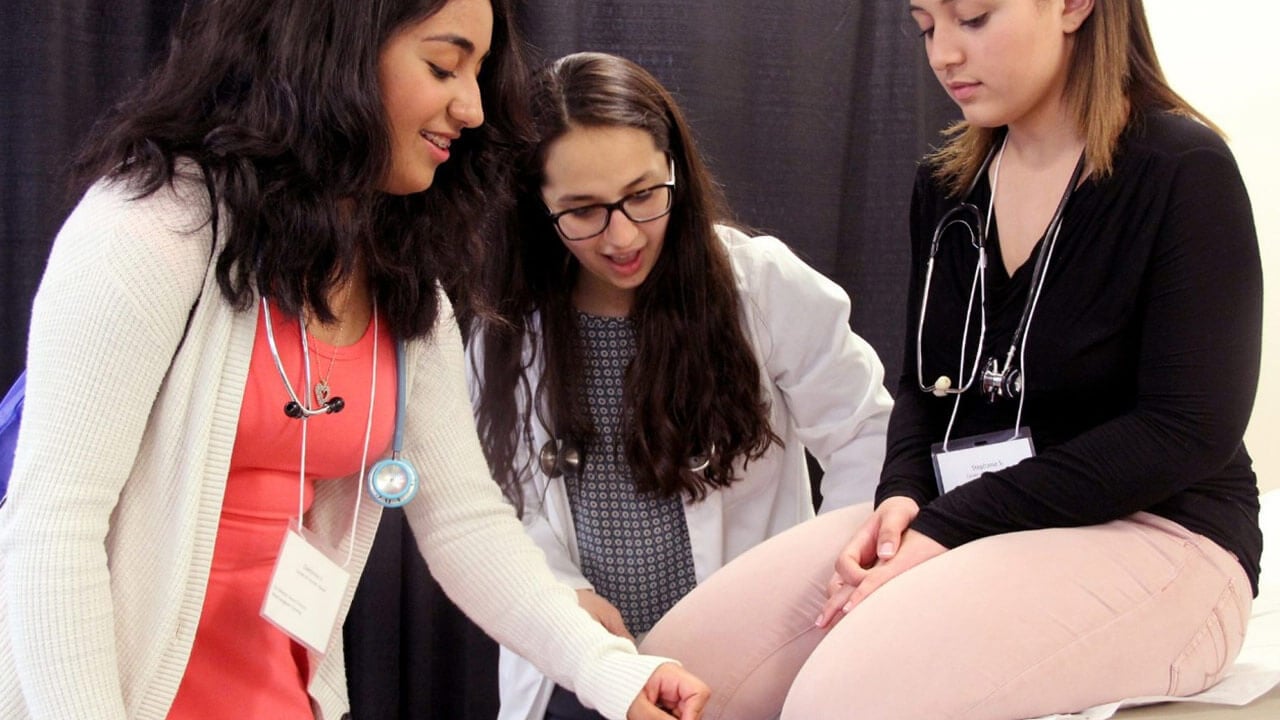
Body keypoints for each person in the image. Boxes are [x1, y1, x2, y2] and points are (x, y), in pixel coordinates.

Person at [0, 2, 709, 719]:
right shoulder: (148, 225)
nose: (469, 106)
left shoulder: (401, 280)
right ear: (336, 46)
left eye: (477, 73)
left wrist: (613, 673)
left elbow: (465, 521)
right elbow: (53, 527)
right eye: (442, 65)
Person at [639, 0, 1265, 718]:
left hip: (1165, 531)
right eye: (926, 25)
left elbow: (1186, 430)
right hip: (968, 509)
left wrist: (948, 527)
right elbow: (922, 388)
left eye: (972, 18)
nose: (942, 55)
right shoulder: (948, 186)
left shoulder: (1181, 169)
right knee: (674, 672)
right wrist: (902, 495)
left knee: (844, 698)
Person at [466, 51, 894, 720]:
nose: (623, 235)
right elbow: (498, 504)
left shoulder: (759, 284)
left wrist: (837, 570)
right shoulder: (508, 333)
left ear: (675, 171)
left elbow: (866, 431)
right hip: (589, 668)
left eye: (643, 194)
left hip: (753, 652)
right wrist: (563, 601)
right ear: (536, 209)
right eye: (582, 211)